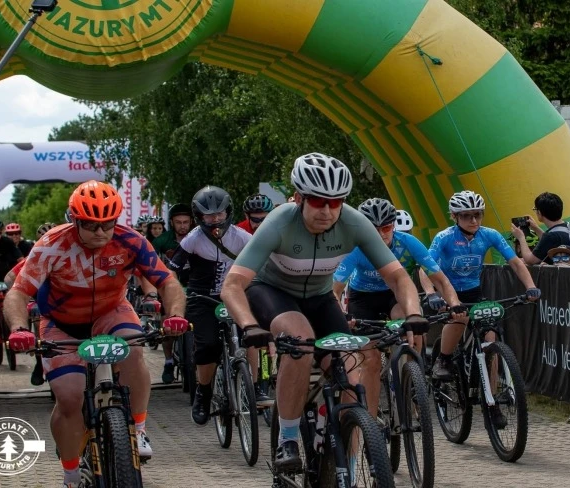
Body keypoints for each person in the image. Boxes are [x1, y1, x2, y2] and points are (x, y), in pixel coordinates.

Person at [219, 153, 429, 473]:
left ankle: (350, 457)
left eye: (336, 201)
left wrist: (413, 314)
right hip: (271, 292)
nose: (328, 211)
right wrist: (248, 325)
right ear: (300, 198)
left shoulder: (353, 222)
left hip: (319, 297)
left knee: (351, 369)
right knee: (301, 341)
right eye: (318, 201)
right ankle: (287, 439)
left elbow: (399, 277)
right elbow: (232, 284)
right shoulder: (280, 221)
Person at [3, 180, 188, 488]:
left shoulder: (131, 240)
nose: (101, 233)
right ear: (75, 220)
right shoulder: (51, 244)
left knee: (135, 350)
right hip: (62, 323)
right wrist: (19, 329)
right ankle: (71, 474)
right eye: (91, 226)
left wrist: (176, 315)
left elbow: (167, 281)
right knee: (69, 398)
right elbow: (19, 292)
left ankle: (138, 430)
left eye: (108, 225)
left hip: (111, 312)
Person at [332, 198, 463, 419]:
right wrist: (341, 315)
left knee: (413, 325)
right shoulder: (355, 247)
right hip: (363, 299)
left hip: (393, 295)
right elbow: (335, 290)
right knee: (371, 361)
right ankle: (371, 421)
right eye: (374, 229)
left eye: (386, 227)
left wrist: (455, 303)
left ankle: (413, 381)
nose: (381, 234)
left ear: (393, 225)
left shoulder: (408, 242)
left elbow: (440, 280)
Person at [429, 190, 541, 425]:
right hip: (449, 291)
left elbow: (515, 262)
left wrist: (530, 287)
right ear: (455, 217)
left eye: (478, 215)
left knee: (491, 338)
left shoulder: (489, 235)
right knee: (459, 319)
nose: (474, 221)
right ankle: (444, 359)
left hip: (474, 292)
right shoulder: (445, 238)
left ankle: (490, 401)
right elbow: (425, 267)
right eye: (467, 216)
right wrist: (432, 294)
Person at [168, 186, 260, 424]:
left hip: (235, 296)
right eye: (209, 215)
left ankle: (258, 384)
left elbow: (263, 263)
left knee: (254, 335)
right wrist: (175, 297)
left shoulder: (242, 237)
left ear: (228, 211)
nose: (215, 219)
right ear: (199, 216)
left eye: (219, 213)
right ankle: (204, 392)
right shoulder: (192, 240)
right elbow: (172, 272)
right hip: (202, 298)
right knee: (207, 346)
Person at [150, 203, 194, 383]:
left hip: (194, 283)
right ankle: (168, 362)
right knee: (167, 322)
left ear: (191, 222)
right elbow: (150, 261)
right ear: (172, 223)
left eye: (186, 222)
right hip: (170, 284)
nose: (182, 226)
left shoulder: (196, 237)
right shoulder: (162, 240)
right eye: (178, 222)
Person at [511, 192, 570, 265]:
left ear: (539, 212)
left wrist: (521, 238)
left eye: (535, 209)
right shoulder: (569, 226)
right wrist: (535, 227)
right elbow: (550, 241)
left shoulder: (550, 237)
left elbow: (530, 260)